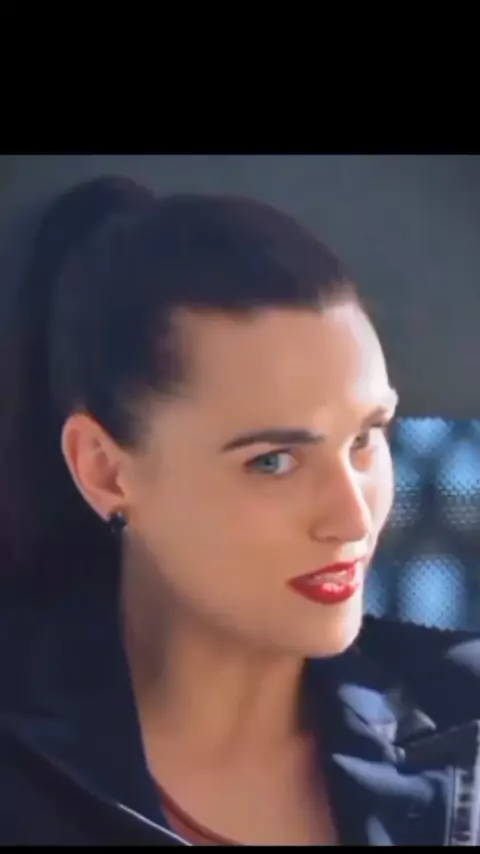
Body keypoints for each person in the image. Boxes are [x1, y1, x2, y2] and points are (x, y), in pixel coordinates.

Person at [0, 175, 479, 847]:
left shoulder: (466, 723)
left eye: (366, 438)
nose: (352, 519)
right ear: (105, 470)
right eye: (273, 462)